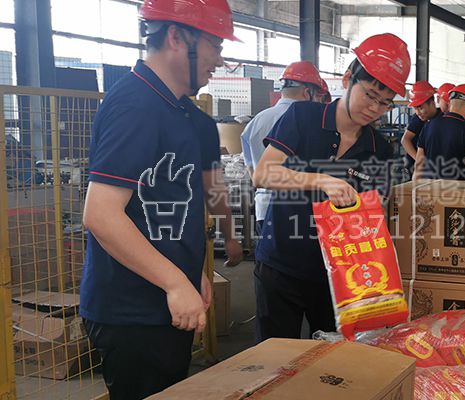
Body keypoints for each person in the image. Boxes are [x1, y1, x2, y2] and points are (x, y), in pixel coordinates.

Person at [80, 0, 243, 398]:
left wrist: (191, 271)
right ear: (176, 37)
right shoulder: (135, 105)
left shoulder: (181, 113)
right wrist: (174, 282)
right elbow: (101, 215)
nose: (219, 60)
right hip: (133, 311)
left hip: (165, 303)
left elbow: (178, 203)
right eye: (215, 46)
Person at [251, 33, 410, 341]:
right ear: (348, 79)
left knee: (332, 359)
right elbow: (263, 174)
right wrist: (322, 180)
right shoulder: (303, 117)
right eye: (370, 95)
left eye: (385, 103)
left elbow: (372, 216)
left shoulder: (379, 149)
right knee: (273, 355)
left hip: (338, 277)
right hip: (281, 264)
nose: (374, 108)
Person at [241, 61, 323, 235]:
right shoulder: (310, 121)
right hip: (297, 208)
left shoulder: (257, 120)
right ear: (307, 92)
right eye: (317, 95)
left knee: (267, 250)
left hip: (263, 207)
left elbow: (251, 167)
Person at [413, 83, 465, 182]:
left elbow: (419, 163)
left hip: (428, 188)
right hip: (455, 190)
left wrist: (414, 187)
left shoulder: (428, 126)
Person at [401, 81, 442, 176]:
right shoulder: (418, 119)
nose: (418, 112)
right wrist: (419, 160)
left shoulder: (441, 118)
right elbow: (405, 140)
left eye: (420, 108)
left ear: (432, 103)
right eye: (415, 108)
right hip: (414, 165)